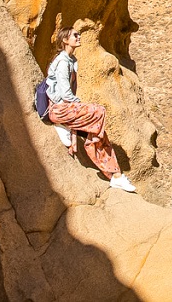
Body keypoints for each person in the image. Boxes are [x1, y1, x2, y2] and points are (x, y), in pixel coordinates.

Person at [45, 26, 136, 192]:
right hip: (59, 110)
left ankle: (115, 174)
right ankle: (110, 169)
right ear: (65, 40)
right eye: (75, 35)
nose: (78, 37)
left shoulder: (71, 61)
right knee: (98, 112)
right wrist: (78, 106)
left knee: (98, 128)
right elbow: (65, 94)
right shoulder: (63, 62)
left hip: (65, 108)